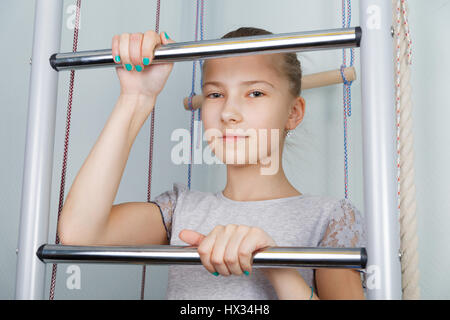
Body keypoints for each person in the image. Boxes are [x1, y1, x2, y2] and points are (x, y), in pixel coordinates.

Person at [58, 27, 367, 300]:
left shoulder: (331, 218)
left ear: (293, 113)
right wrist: (136, 97)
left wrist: (276, 267)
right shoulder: (180, 209)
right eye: (216, 94)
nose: (229, 113)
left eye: (255, 92)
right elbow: (79, 234)